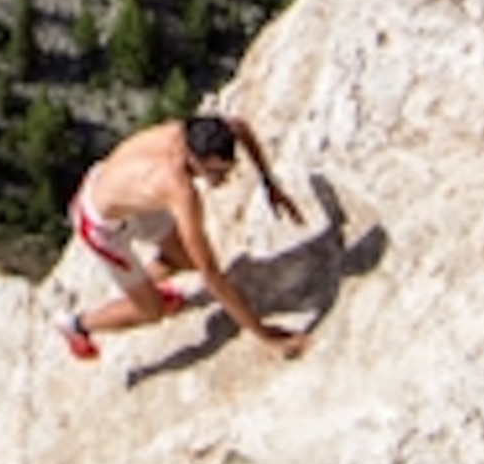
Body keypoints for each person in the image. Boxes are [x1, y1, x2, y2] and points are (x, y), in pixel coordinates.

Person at [57, 113, 308, 362]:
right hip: (100, 225)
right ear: (194, 160)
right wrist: (265, 335)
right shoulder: (179, 190)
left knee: (185, 259)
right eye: (214, 171)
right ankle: (78, 325)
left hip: (121, 189)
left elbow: (240, 126)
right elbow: (210, 273)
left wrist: (270, 185)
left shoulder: (195, 133)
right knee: (151, 311)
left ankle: (142, 286)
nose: (221, 179)